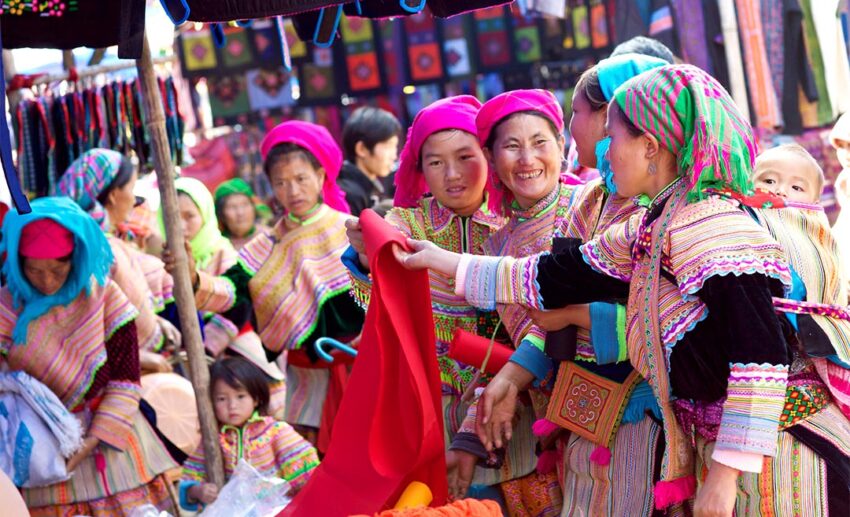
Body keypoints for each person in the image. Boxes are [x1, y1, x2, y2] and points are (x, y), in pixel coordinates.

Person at [398, 65, 850, 515]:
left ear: (650, 146)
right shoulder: (653, 225)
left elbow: (760, 356)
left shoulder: (715, 227)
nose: (602, 151)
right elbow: (549, 275)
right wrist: (441, 259)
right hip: (738, 447)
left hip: (787, 450)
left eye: (611, 137)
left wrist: (725, 475)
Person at [341, 95, 507, 503]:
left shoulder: (516, 220)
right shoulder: (405, 224)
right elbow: (373, 300)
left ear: (487, 154)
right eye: (435, 162)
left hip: (508, 404)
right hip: (429, 411)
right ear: (418, 167)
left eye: (465, 156)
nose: (452, 174)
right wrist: (367, 256)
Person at [165, 121, 365, 450]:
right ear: (270, 186)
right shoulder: (265, 245)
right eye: (281, 183)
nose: (293, 191)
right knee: (311, 454)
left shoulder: (350, 230)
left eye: (301, 179)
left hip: (361, 361)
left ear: (319, 175)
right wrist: (192, 277)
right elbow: (230, 292)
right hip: (306, 371)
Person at [0, 197, 177, 516]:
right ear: (17, 261)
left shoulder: (105, 297)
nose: (47, 281)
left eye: (58, 268)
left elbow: (126, 381)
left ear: (77, 258)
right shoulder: (7, 307)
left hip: (107, 448)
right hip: (38, 451)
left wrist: (85, 446)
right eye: (35, 270)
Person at [160, 176, 287, 418]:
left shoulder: (222, 253)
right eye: (174, 218)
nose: (182, 226)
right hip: (190, 356)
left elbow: (239, 305)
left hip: (232, 346)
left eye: (190, 216)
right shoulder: (164, 260)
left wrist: (207, 347)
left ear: (206, 215)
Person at [57, 149, 179, 374]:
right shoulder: (98, 250)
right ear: (113, 195)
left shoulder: (101, 242)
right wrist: (136, 356)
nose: (134, 199)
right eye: (131, 189)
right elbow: (81, 328)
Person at [179, 357, 319, 511]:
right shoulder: (214, 440)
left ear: (256, 399)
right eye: (221, 399)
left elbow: (305, 471)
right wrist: (197, 491)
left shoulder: (275, 432)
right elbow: (191, 475)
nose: (232, 406)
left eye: (240, 396)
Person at [338, 106, 402, 216]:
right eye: (388, 146)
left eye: (395, 147)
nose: (394, 156)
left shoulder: (368, 189)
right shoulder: (349, 195)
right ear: (361, 149)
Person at [752, 144, 824, 203]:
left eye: (796, 188)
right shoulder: (744, 216)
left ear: (814, 203)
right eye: (769, 181)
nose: (781, 191)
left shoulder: (812, 220)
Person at [214, 177, 273, 251]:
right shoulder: (215, 245)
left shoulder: (269, 237)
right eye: (232, 207)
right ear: (221, 214)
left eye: (245, 204)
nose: (240, 213)